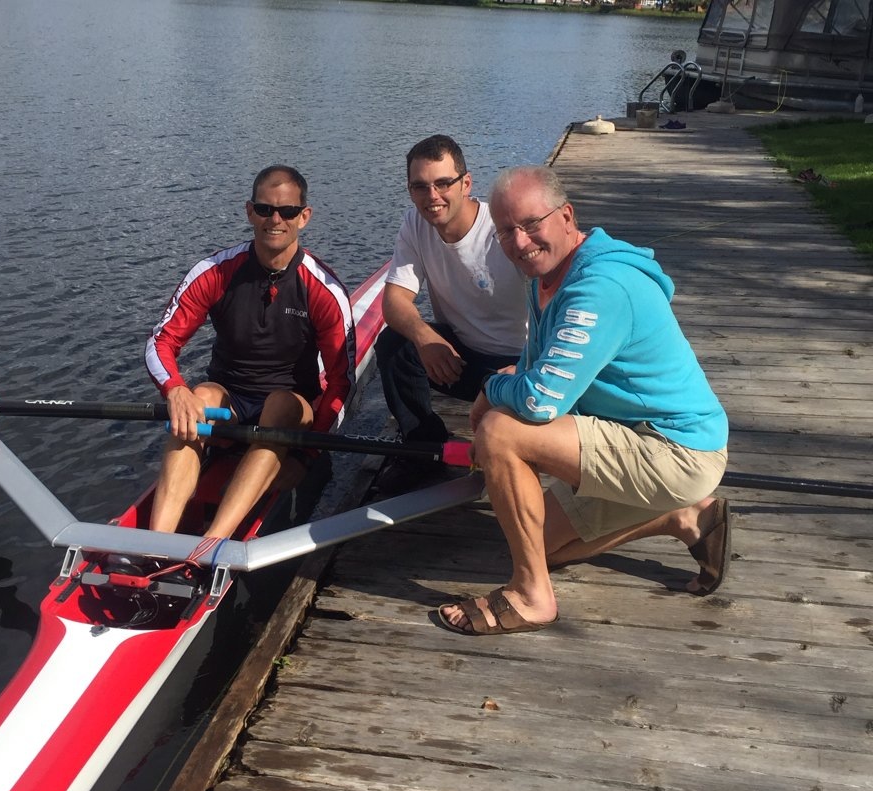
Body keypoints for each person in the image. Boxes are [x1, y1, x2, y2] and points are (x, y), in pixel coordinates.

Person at [438, 165, 730, 636]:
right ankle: (684, 514)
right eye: (506, 231)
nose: (520, 241)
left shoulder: (600, 287)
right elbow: (535, 370)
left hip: (676, 449)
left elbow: (537, 402)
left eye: (532, 223)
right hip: (639, 438)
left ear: (567, 216)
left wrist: (488, 392)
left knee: (501, 431)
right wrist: (507, 385)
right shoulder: (547, 275)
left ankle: (532, 597)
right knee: (537, 544)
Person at [145, 165, 354, 556]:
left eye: (288, 211)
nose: (275, 220)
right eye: (264, 209)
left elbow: (342, 383)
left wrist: (308, 455)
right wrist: (174, 389)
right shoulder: (215, 272)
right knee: (200, 396)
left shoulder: (323, 290)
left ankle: (209, 549)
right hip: (231, 407)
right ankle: (153, 548)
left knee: (278, 405)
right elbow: (161, 342)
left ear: (303, 217)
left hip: (290, 411)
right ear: (249, 212)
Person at [374, 135, 529, 494]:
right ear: (410, 190)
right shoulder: (415, 224)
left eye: (443, 183)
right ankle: (421, 447)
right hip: (459, 360)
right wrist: (425, 338)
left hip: (517, 365)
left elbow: (556, 303)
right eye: (420, 187)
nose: (433, 197)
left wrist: (530, 369)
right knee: (395, 343)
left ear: (466, 183)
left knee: (510, 449)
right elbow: (395, 300)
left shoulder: (505, 230)